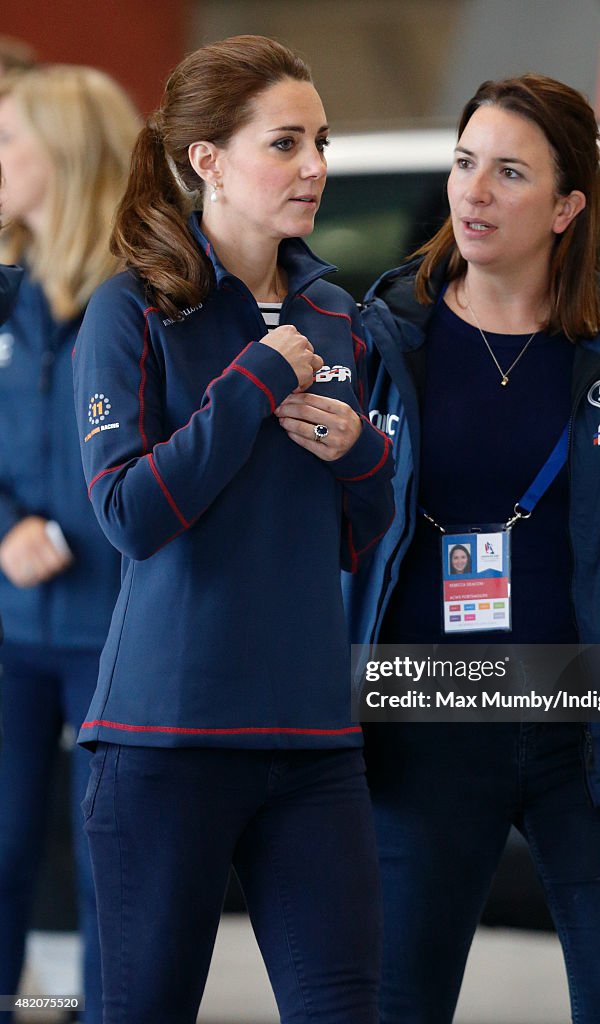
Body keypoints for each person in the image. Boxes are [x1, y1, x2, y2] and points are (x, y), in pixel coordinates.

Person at [345, 74, 600, 1024]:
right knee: (396, 1003)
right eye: (465, 162)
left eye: (508, 172)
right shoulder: (384, 342)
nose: (472, 192)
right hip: (418, 726)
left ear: (565, 207)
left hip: (586, 735)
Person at [72, 35, 394, 1024]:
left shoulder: (336, 313)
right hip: (166, 739)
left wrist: (361, 456)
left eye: (322, 142)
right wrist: (250, 387)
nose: (315, 168)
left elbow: (364, 529)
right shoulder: (133, 307)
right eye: (285, 143)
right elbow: (129, 512)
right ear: (207, 158)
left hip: (313, 740)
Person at [0, 66, 139, 1023]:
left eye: (11, 139)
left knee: (117, 867)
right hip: (8, 631)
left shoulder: (147, 303)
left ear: (70, 157)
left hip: (122, 636)